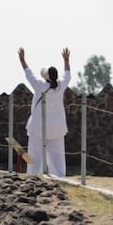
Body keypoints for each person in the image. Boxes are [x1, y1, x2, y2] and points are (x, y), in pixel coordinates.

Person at [17, 46, 71, 176]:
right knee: (58, 161)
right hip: (57, 127)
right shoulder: (61, 85)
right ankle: (60, 178)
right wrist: (66, 60)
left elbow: (29, 74)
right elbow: (67, 74)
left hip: (38, 127)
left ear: (46, 77)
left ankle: (34, 177)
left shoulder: (40, 86)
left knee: (34, 160)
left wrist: (22, 60)